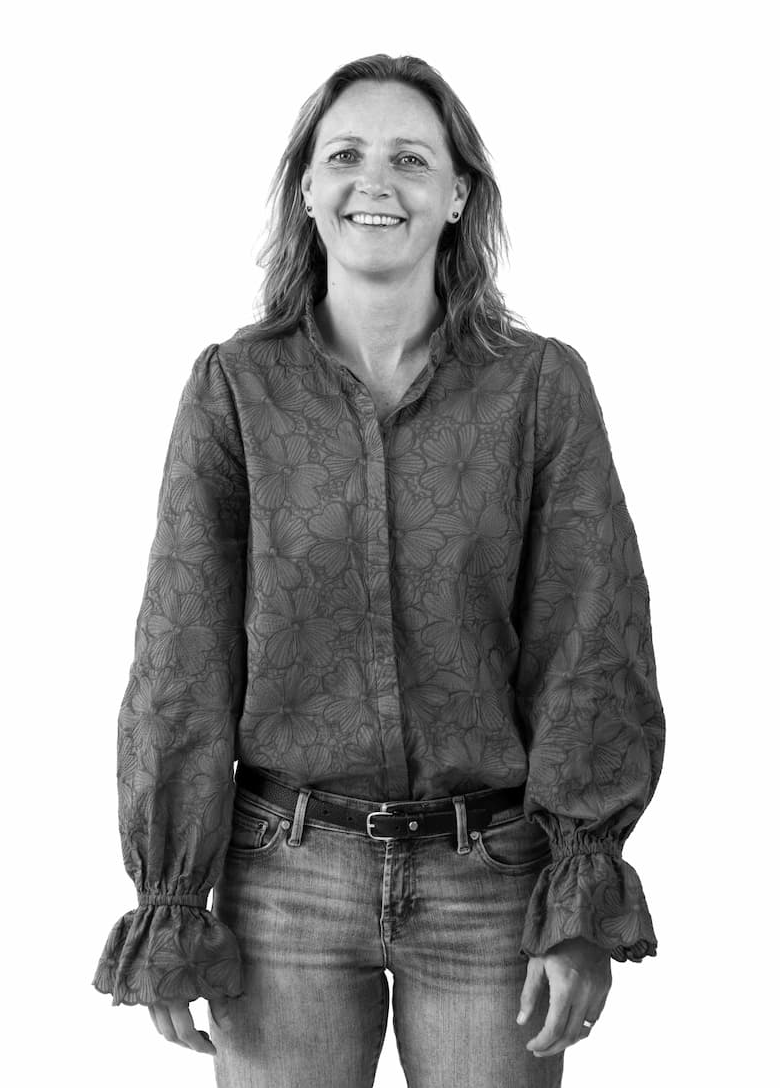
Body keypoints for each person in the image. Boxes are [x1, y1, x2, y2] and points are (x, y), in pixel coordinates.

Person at [93, 53, 665, 1088]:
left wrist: (578, 895)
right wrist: (170, 899)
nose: (376, 182)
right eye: (345, 155)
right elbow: (183, 653)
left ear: (457, 196)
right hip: (284, 877)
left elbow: (591, 641)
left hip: (491, 878)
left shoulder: (539, 389)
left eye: (410, 159)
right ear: (308, 190)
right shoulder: (234, 391)